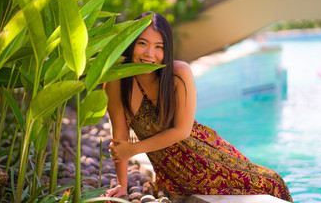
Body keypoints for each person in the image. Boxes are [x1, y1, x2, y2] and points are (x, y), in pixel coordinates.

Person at [104, 12, 293, 202]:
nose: (149, 53)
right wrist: (122, 184)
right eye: (142, 43)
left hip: (208, 151)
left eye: (158, 46)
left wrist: (133, 149)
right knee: (271, 183)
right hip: (177, 175)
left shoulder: (178, 73)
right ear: (131, 43)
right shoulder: (117, 83)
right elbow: (120, 138)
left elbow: (182, 131)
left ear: (166, 50)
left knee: (273, 182)